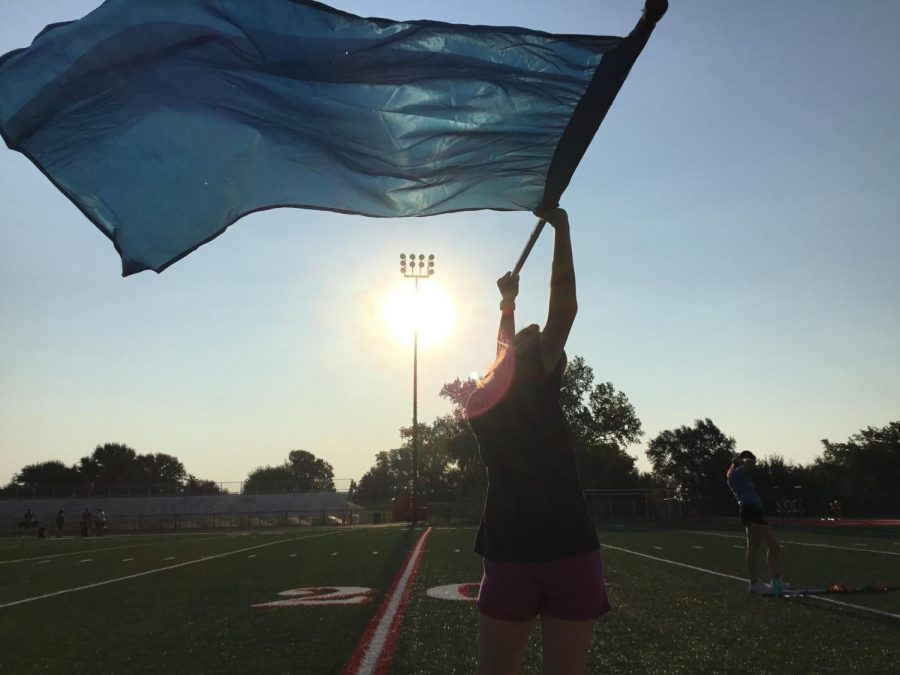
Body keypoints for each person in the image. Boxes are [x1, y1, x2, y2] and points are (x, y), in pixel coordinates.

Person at [465, 208, 608, 675]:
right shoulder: (533, 387)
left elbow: (504, 357)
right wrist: (561, 227)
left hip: (510, 550)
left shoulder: (483, 403)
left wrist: (507, 306)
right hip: (567, 547)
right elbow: (564, 308)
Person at [727, 450, 786, 594]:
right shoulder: (736, 474)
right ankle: (756, 583)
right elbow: (750, 462)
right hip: (749, 510)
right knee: (759, 547)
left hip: (755, 511)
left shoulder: (742, 475)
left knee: (770, 547)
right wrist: (740, 460)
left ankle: (774, 582)